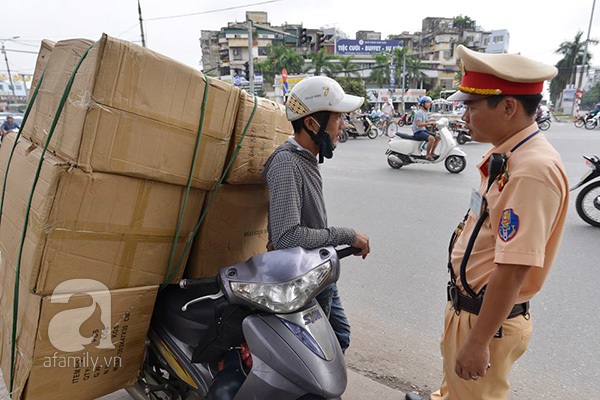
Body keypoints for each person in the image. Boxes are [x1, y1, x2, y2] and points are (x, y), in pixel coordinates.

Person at [406, 45, 569, 400]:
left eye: (471, 106)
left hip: (486, 324)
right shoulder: (507, 154)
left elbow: (513, 268)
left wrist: (477, 341)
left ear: (508, 107)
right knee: (454, 390)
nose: (464, 115)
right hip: (468, 312)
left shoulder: (531, 170)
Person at [262, 76, 371, 353]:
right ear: (312, 124)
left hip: (317, 270)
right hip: (301, 277)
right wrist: (348, 235)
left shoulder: (304, 159)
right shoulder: (287, 164)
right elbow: (287, 237)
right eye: (337, 119)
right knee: (320, 348)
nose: (342, 127)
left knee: (339, 337)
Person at [411, 96, 439, 160]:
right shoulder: (419, 112)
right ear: (422, 104)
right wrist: (429, 123)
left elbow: (427, 122)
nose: (429, 104)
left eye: (429, 102)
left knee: (437, 137)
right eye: (427, 102)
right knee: (431, 138)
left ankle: (432, 153)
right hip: (418, 132)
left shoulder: (425, 112)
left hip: (423, 131)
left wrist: (435, 122)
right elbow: (419, 124)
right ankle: (427, 155)